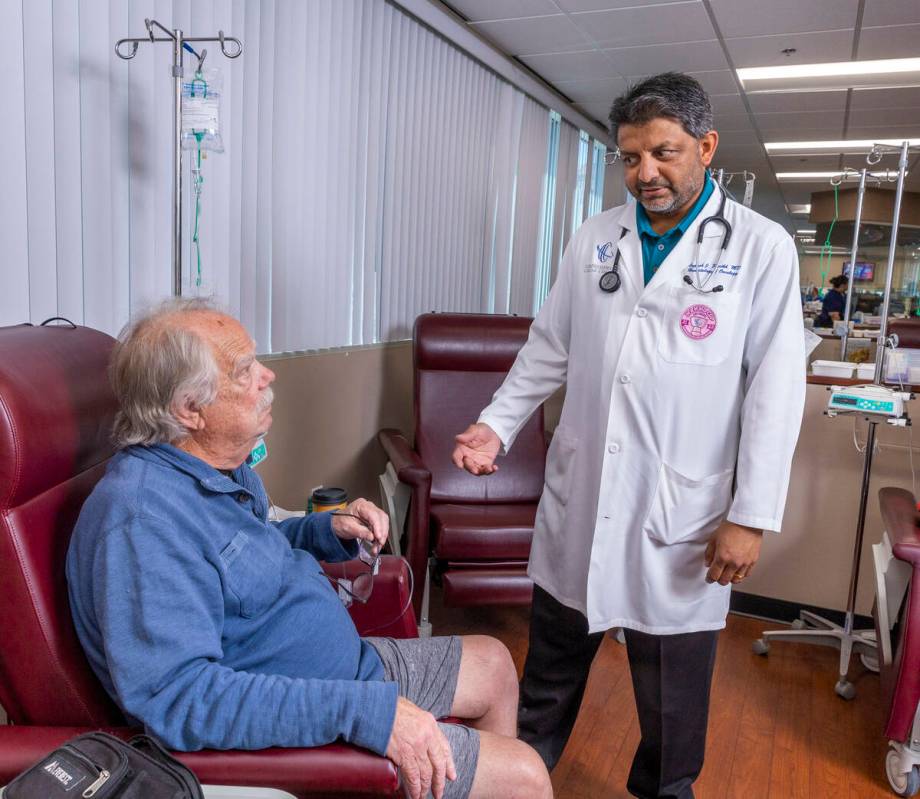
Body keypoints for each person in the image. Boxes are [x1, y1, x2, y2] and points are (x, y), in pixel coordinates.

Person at [452, 73, 805, 799]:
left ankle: (664, 792)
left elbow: (776, 391)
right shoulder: (596, 238)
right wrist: (495, 424)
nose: (646, 173)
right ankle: (513, 782)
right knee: (547, 679)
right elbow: (548, 347)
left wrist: (749, 515)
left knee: (672, 707)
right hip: (583, 504)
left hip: (682, 515)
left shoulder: (761, 249)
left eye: (665, 153)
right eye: (631, 158)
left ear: (706, 146)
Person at [66, 299, 552, 799]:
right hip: (309, 718)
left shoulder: (215, 473)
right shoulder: (143, 522)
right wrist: (367, 715)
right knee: (526, 777)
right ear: (190, 410)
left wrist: (325, 531)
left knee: (494, 663)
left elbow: (234, 566)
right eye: (244, 370)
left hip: (346, 671)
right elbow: (181, 700)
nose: (268, 376)